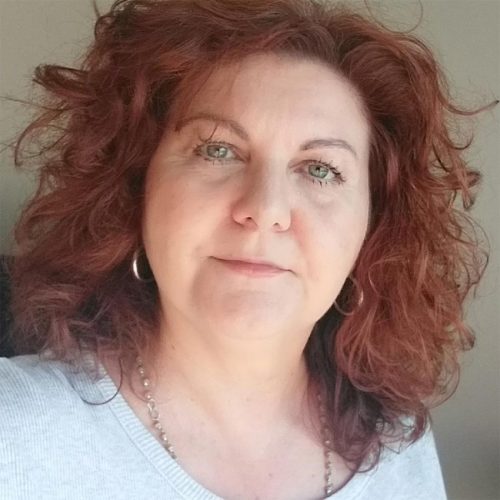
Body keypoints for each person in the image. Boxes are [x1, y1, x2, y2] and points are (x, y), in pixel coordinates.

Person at [0, 0, 493, 498]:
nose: (266, 208)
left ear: (372, 225)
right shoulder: (15, 431)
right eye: (218, 150)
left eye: (320, 169)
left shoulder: (398, 442)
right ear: (137, 187)